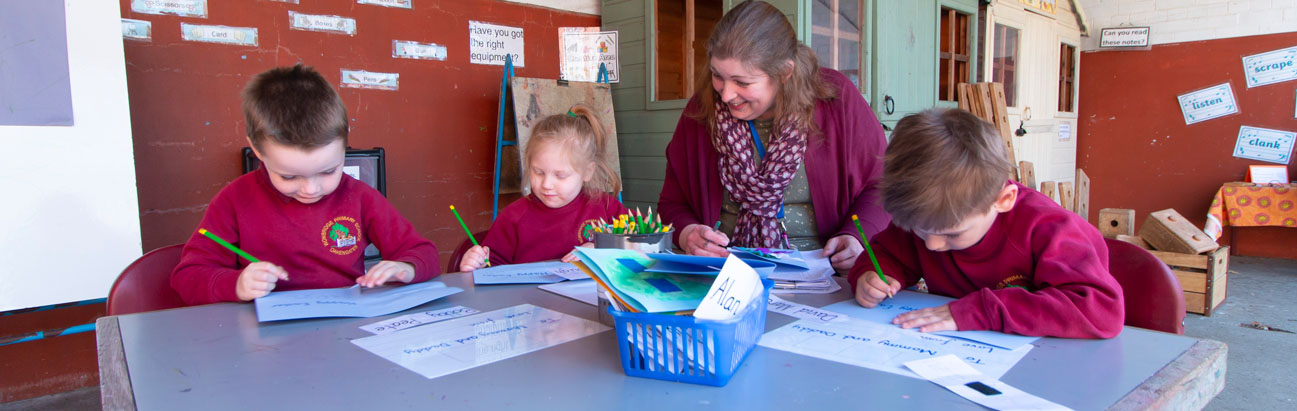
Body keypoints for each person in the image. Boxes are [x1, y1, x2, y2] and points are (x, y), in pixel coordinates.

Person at [171, 65, 441, 304]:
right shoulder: (234, 200)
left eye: (328, 171)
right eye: (289, 177)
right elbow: (188, 277)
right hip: (264, 342)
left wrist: (407, 268)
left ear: (345, 143)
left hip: (346, 330)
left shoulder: (360, 197)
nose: (311, 189)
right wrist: (236, 284)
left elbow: (423, 253)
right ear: (257, 149)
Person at [656, 0, 889, 273]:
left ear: (784, 73)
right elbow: (672, 202)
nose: (726, 94)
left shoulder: (837, 99)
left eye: (742, 82)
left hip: (824, 275)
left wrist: (856, 237)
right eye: (717, 75)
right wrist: (688, 233)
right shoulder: (701, 108)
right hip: (725, 274)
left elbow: (883, 187)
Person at [851, 108, 1124, 338]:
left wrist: (979, 311)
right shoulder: (927, 215)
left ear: (1003, 200)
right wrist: (872, 276)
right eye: (920, 231)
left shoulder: (1048, 229)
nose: (932, 245)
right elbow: (886, 255)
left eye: (952, 234)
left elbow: (1101, 310)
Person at [459, 104, 629, 271]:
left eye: (560, 175)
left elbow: (646, 241)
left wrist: (603, 249)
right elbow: (491, 266)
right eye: (538, 172)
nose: (546, 185)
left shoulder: (606, 207)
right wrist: (477, 264)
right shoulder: (513, 218)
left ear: (587, 172)